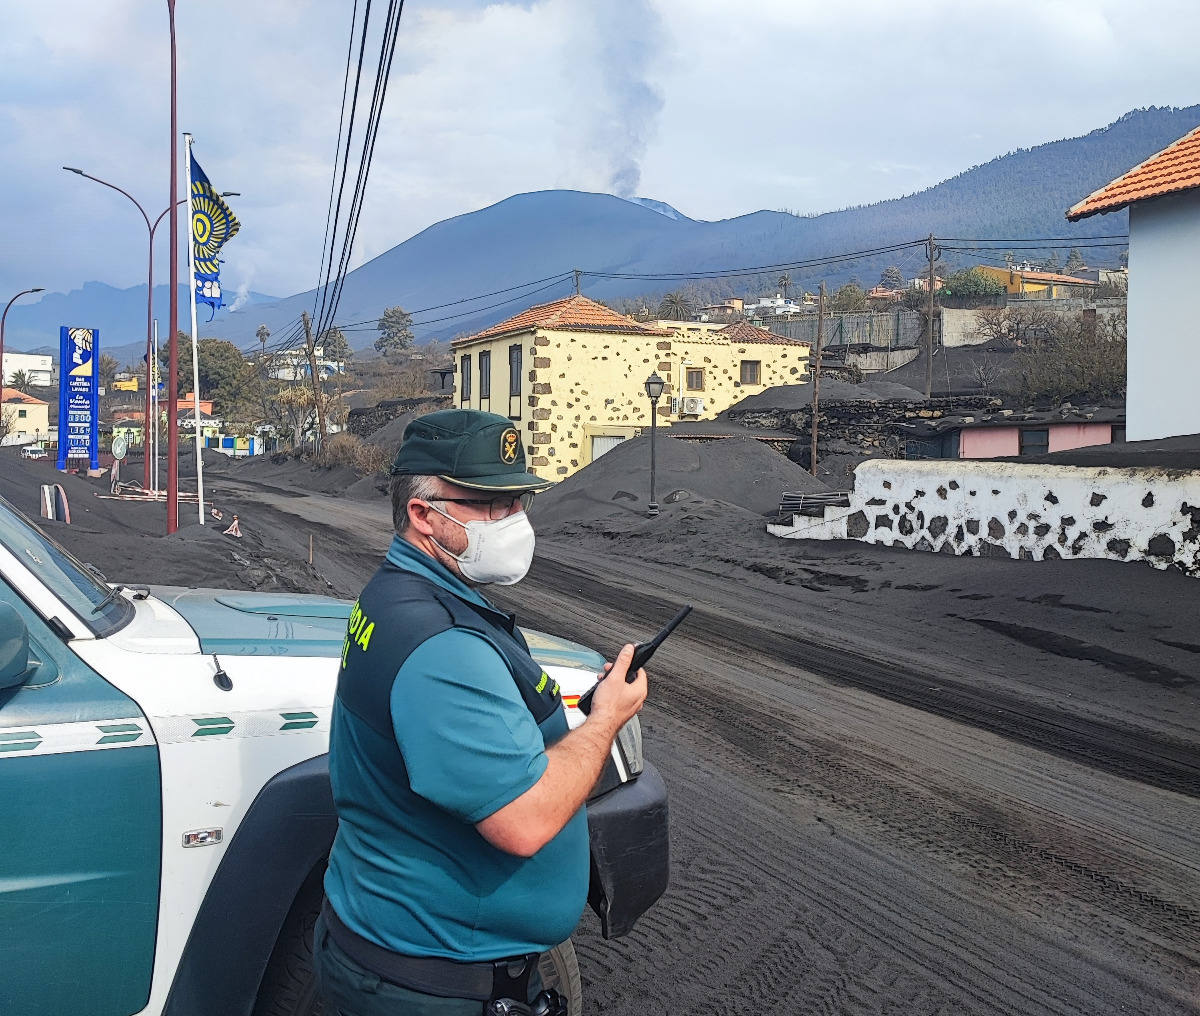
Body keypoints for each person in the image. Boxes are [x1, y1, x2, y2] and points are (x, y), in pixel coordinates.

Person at [315, 408, 648, 1015]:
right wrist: (606, 721)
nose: (514, 522)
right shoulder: (442, 646)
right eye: (492, 505)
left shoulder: (396, 597)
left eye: (519, 501)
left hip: (397, 949)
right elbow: (522, 821)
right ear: (423, 514)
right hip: (435, 983)